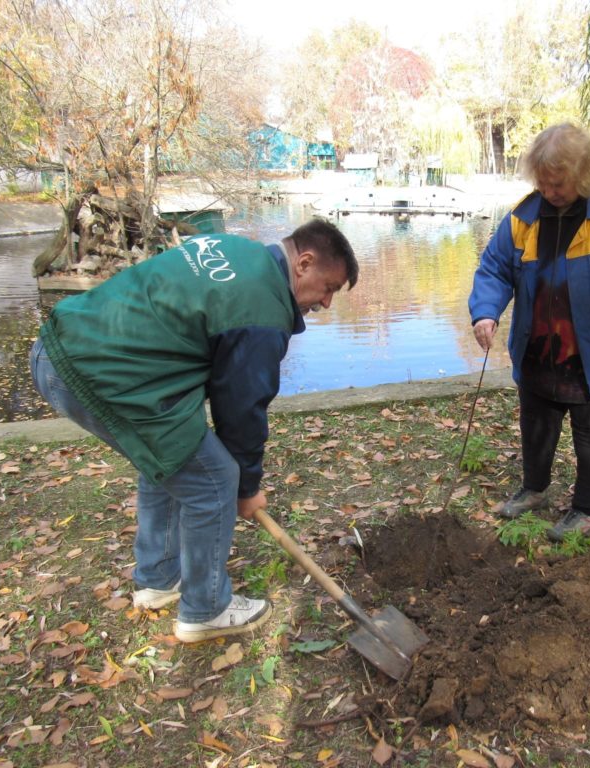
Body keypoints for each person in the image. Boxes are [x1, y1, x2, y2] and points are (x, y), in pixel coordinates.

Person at [30, 219, 358, 642]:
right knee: (214, 477)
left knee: (174, 455)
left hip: (64, 345)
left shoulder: (239, 251)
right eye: (328, 287)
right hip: (97, 372)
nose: (327, 302)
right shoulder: (263, 308)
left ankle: (158, 580)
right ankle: (205, 609)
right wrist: (246, 485)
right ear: (304, 263)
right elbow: (241, 407)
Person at [469, 122, 590, 542]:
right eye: (543, 183)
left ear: (583, 175)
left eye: (558, 184)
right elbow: (495, 268)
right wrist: (485, 312)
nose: (550, 192)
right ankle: (534, 488)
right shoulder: (524, 217)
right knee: (536, 423)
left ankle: (586, 509)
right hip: (539, 351)